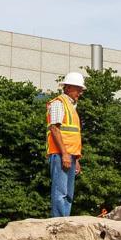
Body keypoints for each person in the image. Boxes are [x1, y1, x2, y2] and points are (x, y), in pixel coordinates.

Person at [47, 71, 84, 217]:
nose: (80, 93)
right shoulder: (58, 103)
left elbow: (72, 135)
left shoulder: (71, 107)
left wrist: (76, 159)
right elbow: (54, 129)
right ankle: (58, 222)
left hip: (70, 155)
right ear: (68, 88)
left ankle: (65, 221)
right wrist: (65, 154)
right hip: (61, 154)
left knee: (68, 194)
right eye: (78, 89)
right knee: (60, 192)